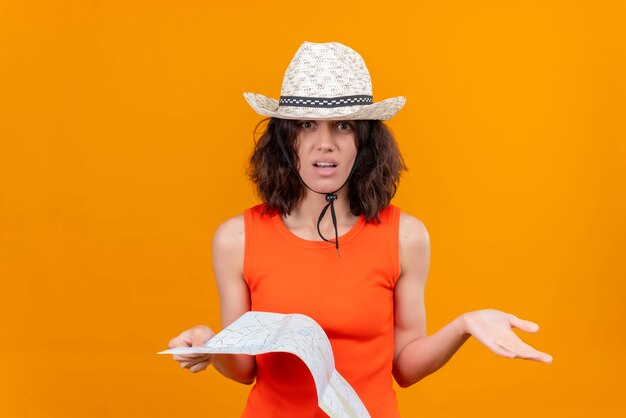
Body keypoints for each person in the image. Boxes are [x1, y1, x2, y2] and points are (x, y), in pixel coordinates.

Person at [168, 42, 552, 417]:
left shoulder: (405, 237)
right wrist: (208, 343)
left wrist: (464, 325)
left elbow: (405, 367)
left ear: (365, 139)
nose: (324, 144)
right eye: (306, 125)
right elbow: (243, 370)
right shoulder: (237, 238)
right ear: (285, 139)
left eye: (343, 126)